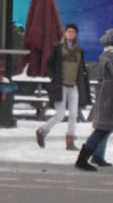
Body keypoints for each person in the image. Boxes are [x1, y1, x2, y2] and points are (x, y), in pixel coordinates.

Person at [35, 23, 91, 151]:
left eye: (73, 32)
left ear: (76, 35)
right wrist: (53, 78)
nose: (70, 34)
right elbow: (49, 64)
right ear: (65, 33)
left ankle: (70, 141)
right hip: (60, 86)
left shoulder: (79, 50)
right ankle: (42, 131)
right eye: (68, 31)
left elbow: (81, 68)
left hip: (73, 86)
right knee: (60, 115)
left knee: (73, 114)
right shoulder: (58, 48)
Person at [76, 28, 113, 171]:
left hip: (107, 96)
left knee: (105, 128)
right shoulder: (110, 56)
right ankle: (82, 159)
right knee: (102, 129)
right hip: (108, 99)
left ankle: (97, 156)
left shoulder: (107, 54)